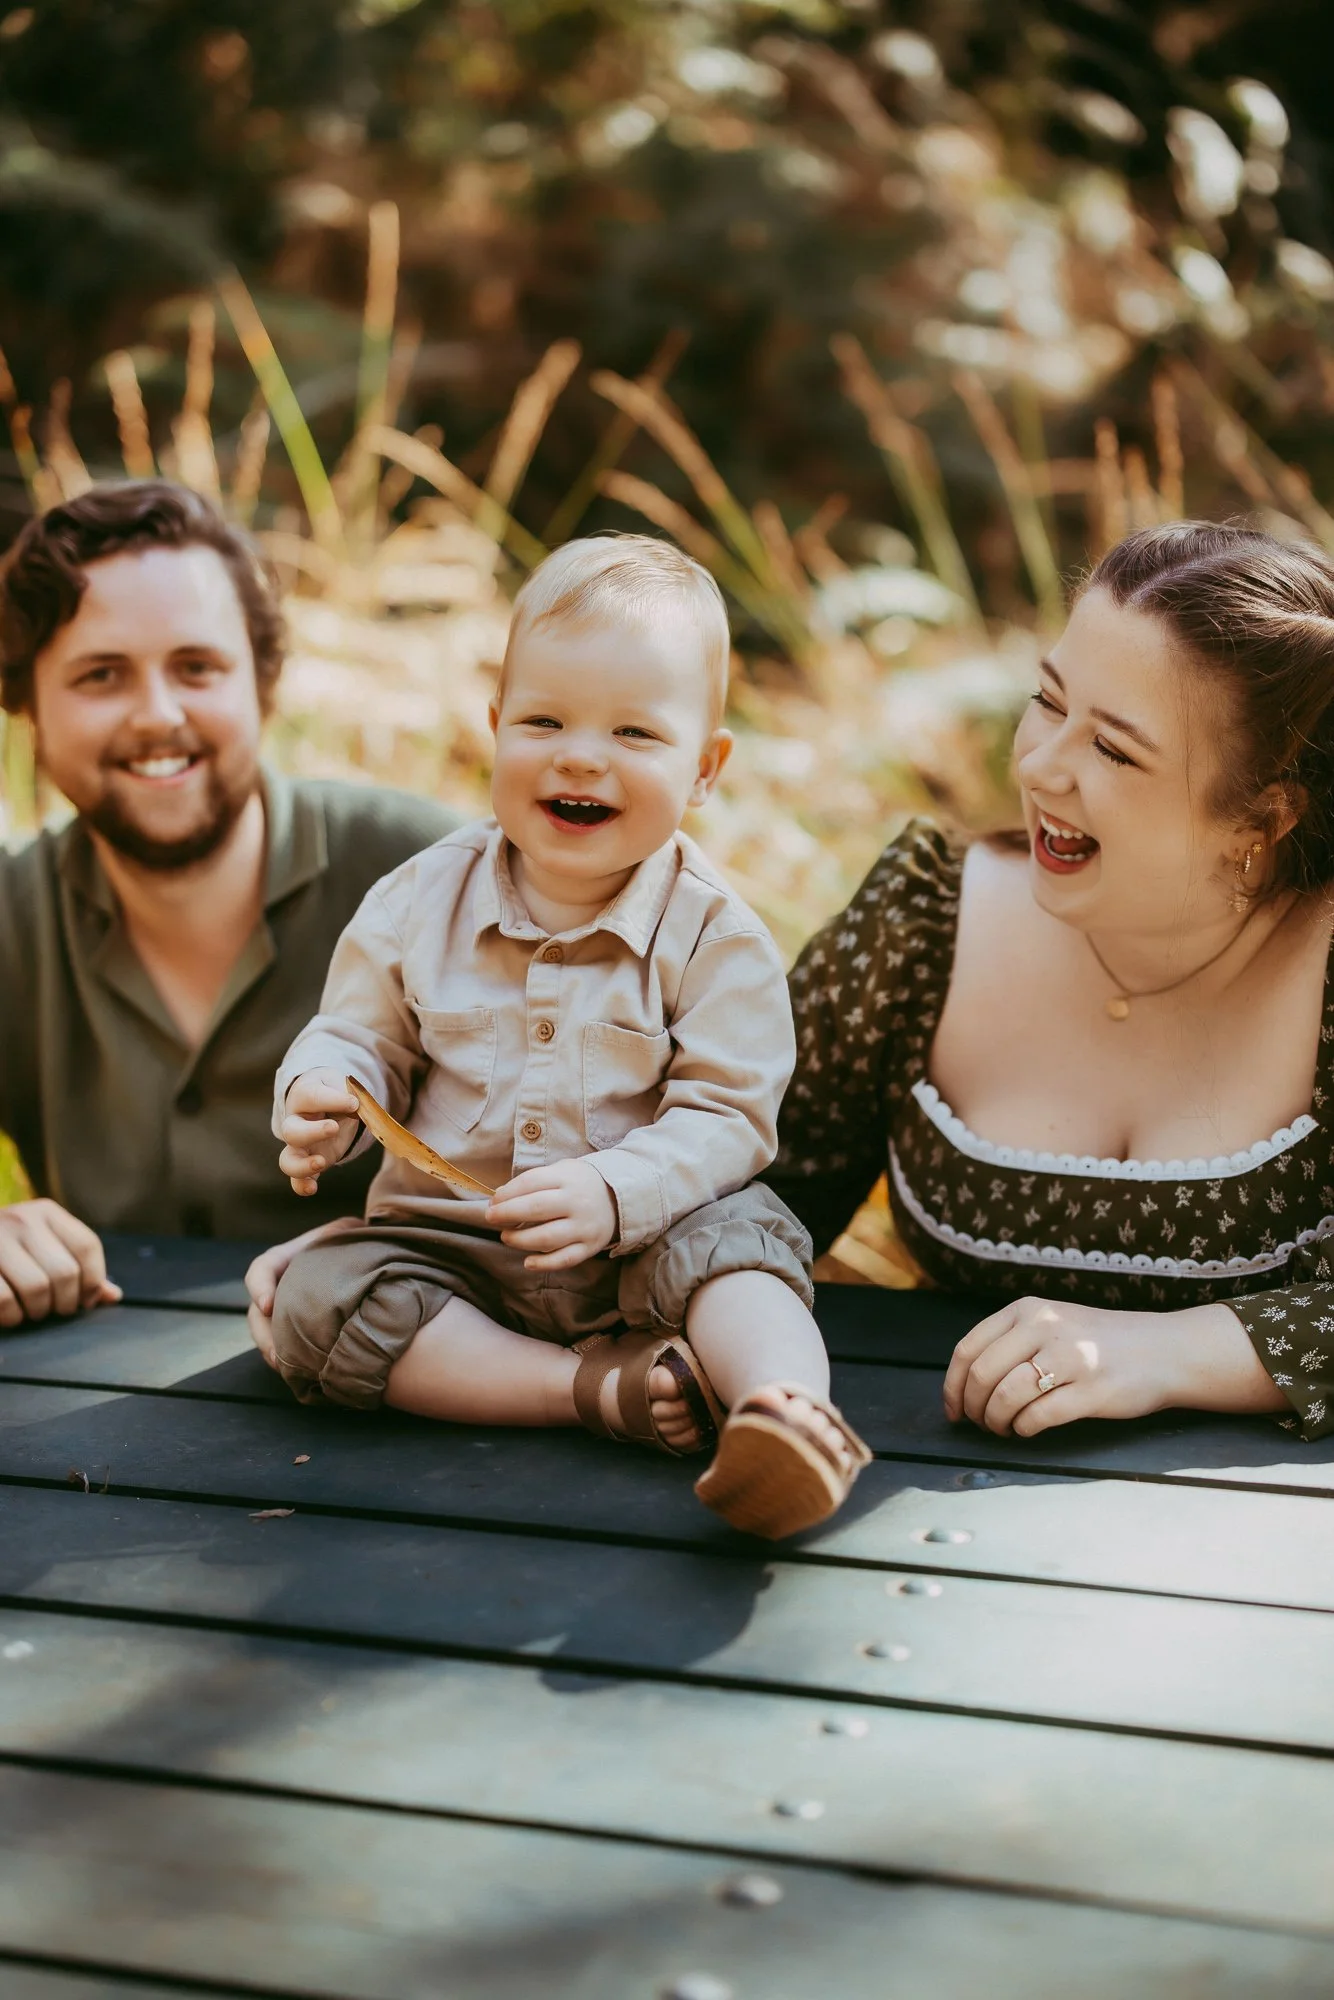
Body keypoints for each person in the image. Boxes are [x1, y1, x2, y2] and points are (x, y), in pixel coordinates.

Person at [260, 535, 870, 1539]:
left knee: (739, 1246)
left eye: (634, 732)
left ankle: (784, 1410)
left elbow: (729, 1115)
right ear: (494, 726)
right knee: (317, 1301)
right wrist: (326, 1091)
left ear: (705, 768)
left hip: (648, 1244)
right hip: (459, 1257)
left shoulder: (714, 935)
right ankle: (587, 1388)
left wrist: (617, 1187)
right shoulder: (416, 901)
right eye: (542, 719)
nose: (579, 755)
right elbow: (359, 1035)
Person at [769, 520, 1334, 1445]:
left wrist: (1168, 1353)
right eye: (1048, 699)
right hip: (936, 1498)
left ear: (1260, 818)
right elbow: (748, 1197)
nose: (1038, 765)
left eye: (1114, 750)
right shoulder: (921, 925)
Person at [0, 479, 455, 1327]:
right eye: (101, 675)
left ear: (262, 682)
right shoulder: (11, 917)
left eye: (197, 667)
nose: (158, 714)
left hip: (440, 1413)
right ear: (27, 704)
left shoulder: (438, 878)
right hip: (88, 1436)